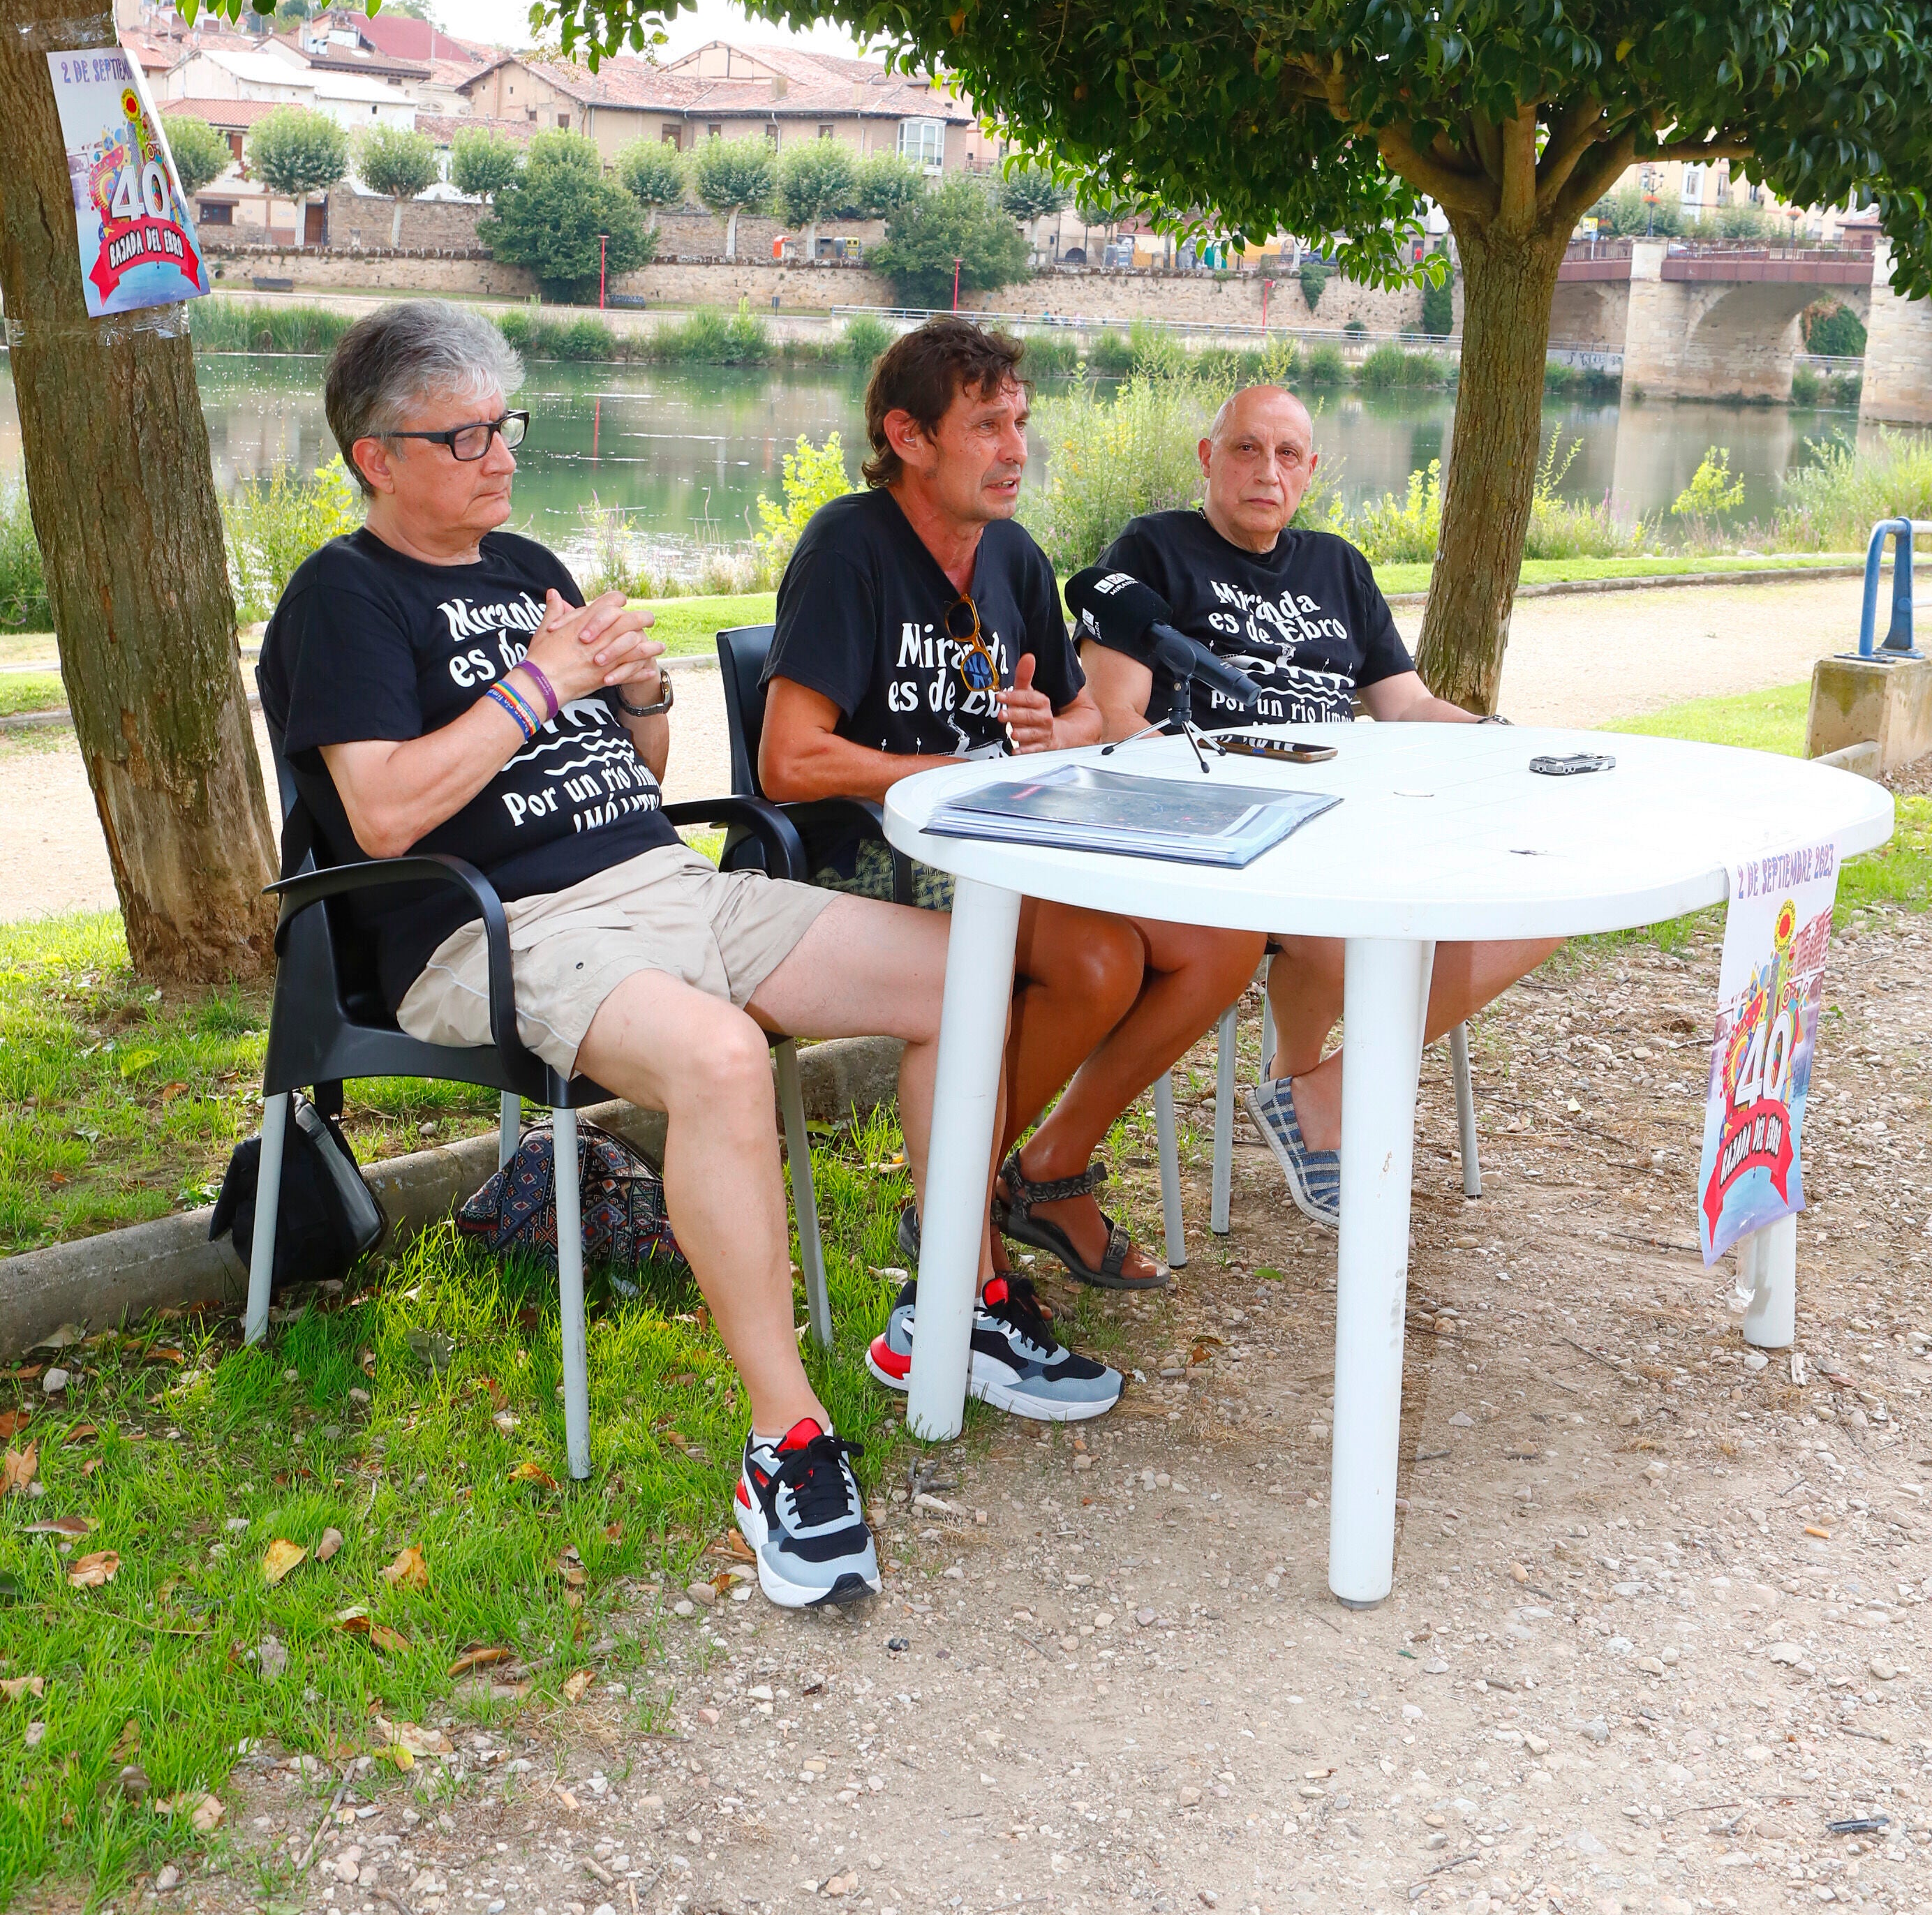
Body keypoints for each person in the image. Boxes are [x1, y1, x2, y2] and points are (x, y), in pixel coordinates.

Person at [258, 300, 958, 1614]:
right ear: (375, 459)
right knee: (721, 1059)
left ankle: (950, 1293)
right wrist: (537, 681)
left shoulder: (524, 562)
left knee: (967, 974)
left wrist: (634, 689)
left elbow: (631, 770)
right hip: (497, 928)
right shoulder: (341, 596)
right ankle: (786, 1440)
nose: (500, 457)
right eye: (463, 438)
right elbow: (384, 815)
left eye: (503, 426)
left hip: (668, 883)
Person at [759, 317, 1264, 1353]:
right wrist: (950, 775)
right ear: (908, 437)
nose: (1015, 449)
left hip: (1000, 839)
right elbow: (788, 760)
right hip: (854, 852)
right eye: (986, 425)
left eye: (1020, 422)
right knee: (1094, 958)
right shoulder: (848, 547)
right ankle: (961, 1218)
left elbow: (1082, 717)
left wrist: (1046, 729)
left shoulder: (1014, 555)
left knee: (1220, 940)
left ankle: (1031, 1173)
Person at [1077, 381, 1556, 1226]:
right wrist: (1209, 798)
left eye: (1287, 454)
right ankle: (1306, 1095)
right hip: (1227, 828)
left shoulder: (1337, 564)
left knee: (1537, 901)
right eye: (1246, 448)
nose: (1267, 470)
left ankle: (1315, 1092)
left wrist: (1498, 738)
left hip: (1352, 816)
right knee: (1358, 921)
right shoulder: (1151, 551)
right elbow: (1115, 716)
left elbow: (1405, 705)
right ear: (1207, 458)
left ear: (1308, 471)